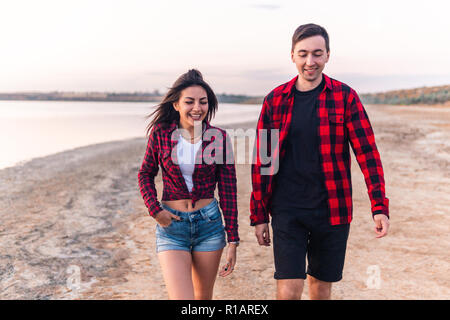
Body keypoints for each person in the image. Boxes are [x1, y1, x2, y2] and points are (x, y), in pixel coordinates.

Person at [250, 23, 390, 300]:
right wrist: (259, 215)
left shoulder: (345, 97)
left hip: (332, 210)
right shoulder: (275, 101)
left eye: (317, 53)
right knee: (288, 289)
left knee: (320, 288)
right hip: (288, 210)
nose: (310, 61)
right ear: (292, 55)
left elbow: (368, 155)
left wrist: (379, 206)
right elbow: (264, 162)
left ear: (327, 55)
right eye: (303, 54)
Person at [138, 69, 239, 300]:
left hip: (209, 225)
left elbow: (228, 190)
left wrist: (233, 238)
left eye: (203, 102)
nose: (197, 108)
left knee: (202, 300)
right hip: (172, 226)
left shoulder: (219, 138)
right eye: (189, 101)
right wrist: (155, 210)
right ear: (176, 105)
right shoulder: (161, 133)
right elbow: (145, 173)